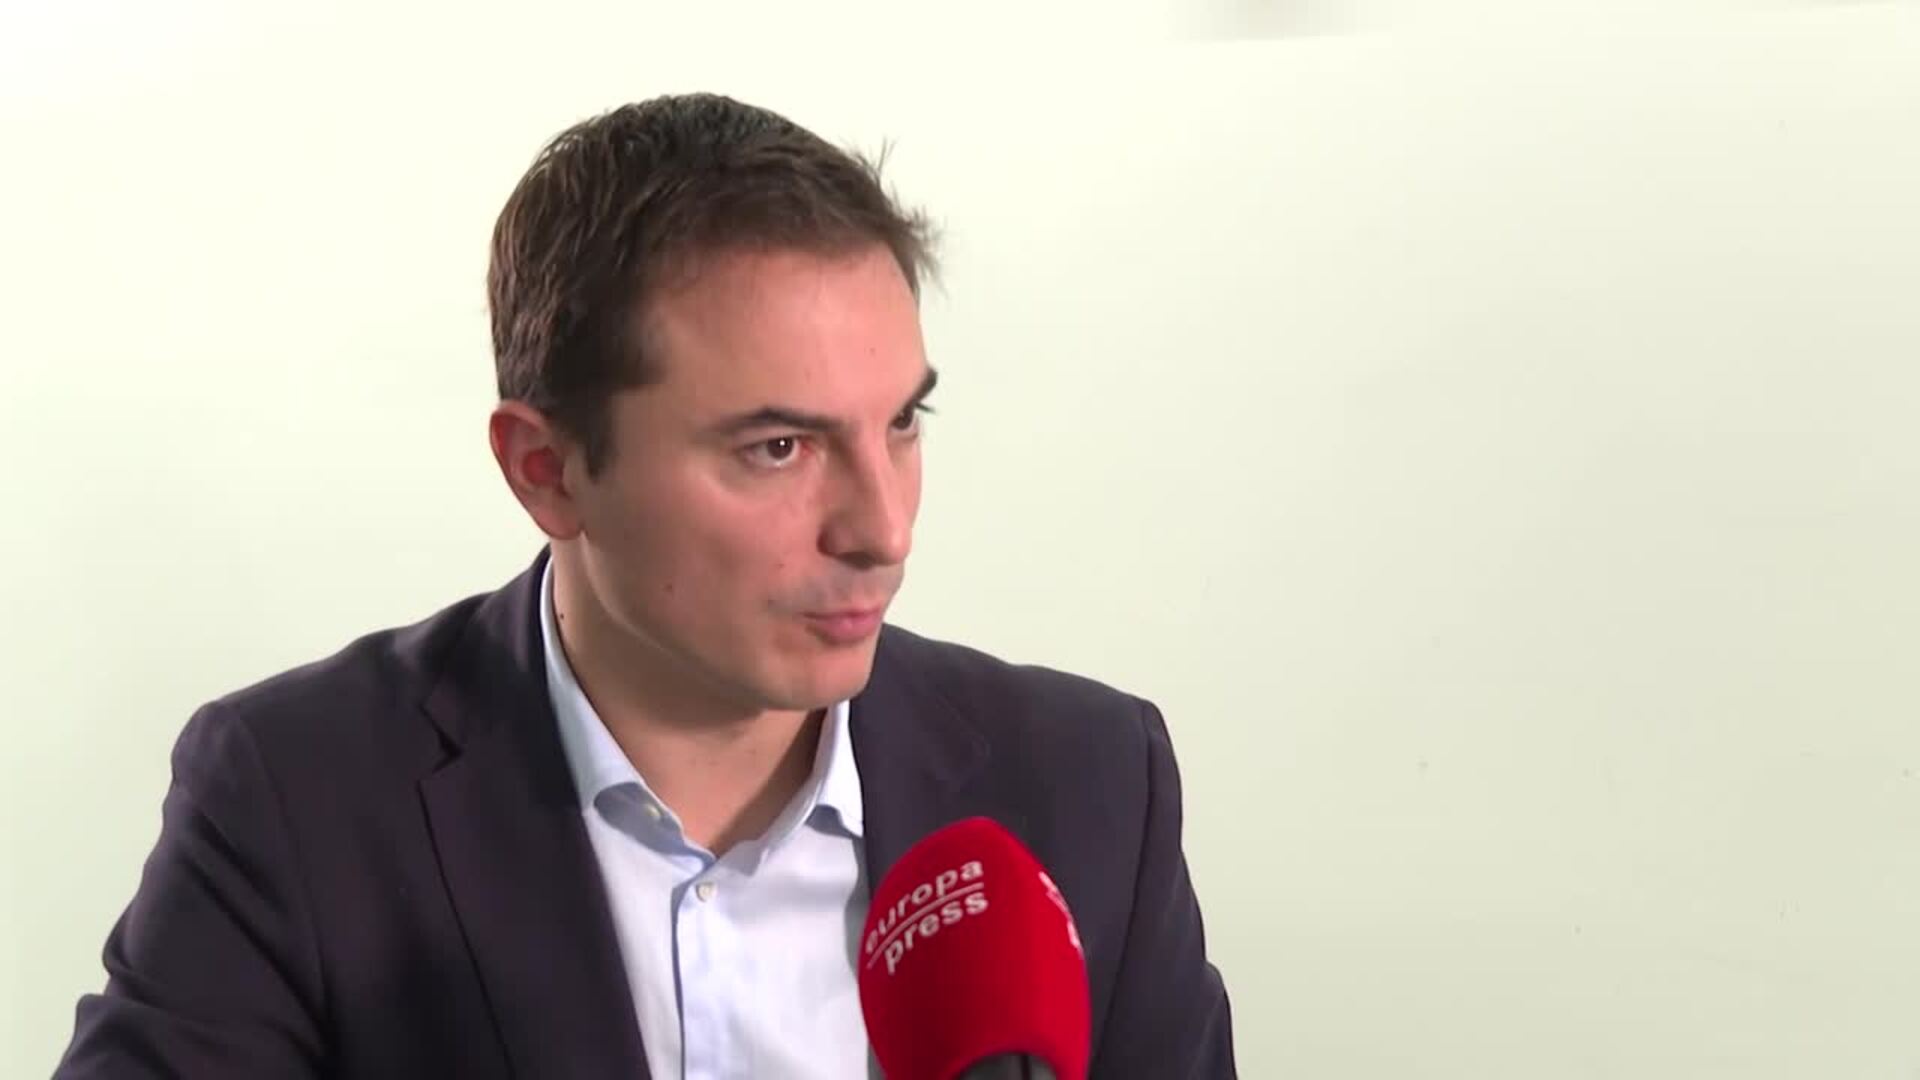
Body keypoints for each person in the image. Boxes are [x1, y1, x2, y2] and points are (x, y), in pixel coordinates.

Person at [55, 93, 1235, 1079]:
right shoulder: (298, 801)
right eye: (779, 447)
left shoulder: (1088, 786)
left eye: (901, 423)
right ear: (548, 470)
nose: (882, 531)